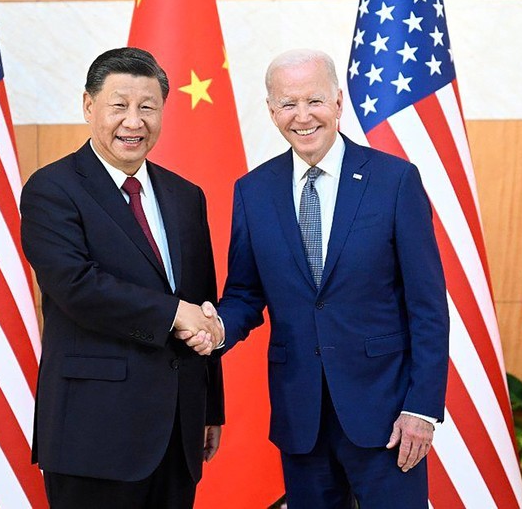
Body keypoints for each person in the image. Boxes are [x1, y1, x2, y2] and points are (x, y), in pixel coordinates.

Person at [181, 49, 449, 508]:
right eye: (288, 104)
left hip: (387, 415)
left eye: (315, 101)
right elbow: (246, 293)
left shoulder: (395, 180)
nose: (302, 116)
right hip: (301, 416)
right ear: (271, 111)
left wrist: (421, 409)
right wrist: (219, 327)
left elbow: (427, 307)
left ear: (338, 102)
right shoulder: (253, 190)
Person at [20, 47, 224, 509]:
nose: (134, 121)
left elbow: (202, 303)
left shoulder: (185, 195)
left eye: (147, 107)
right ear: (89, 106)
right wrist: (174, 314)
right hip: (94, 434)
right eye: (119, 105)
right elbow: (77, 287)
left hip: (178, 430)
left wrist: (209, 408)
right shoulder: (51, 189)